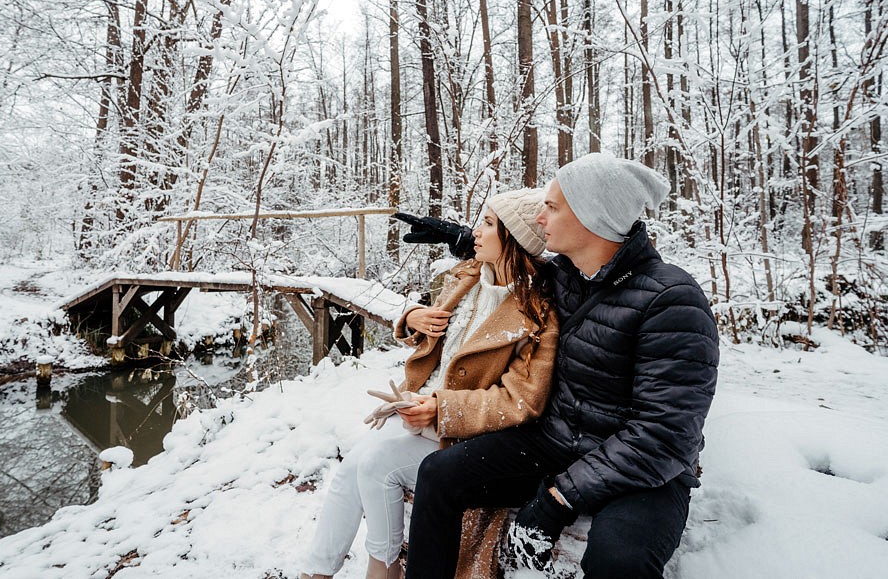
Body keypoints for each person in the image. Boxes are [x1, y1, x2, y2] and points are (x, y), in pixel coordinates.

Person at [398, 152, 720, 578]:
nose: (539, 216)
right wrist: (465, 237)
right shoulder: (568, 275)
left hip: (642, 472)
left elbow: (663, 435)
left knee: (617, 560)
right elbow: (516, 259)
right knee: (439, 475)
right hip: (557, 443)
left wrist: (556, 501)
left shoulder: (673, 301)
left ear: (591, 217)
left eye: (551, 206)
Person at [300, 188, 559, 579]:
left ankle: (382, 572)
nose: (474, 231)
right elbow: (429, 335)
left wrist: (442, 407)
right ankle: (316, 574)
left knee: (373, 466)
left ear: (514, 240)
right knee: (351, 469)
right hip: (413, 410)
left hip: (461, 433)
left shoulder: (538, 314)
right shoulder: (466, 278)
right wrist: (412, 317)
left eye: (487, 223)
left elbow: (521, 400)